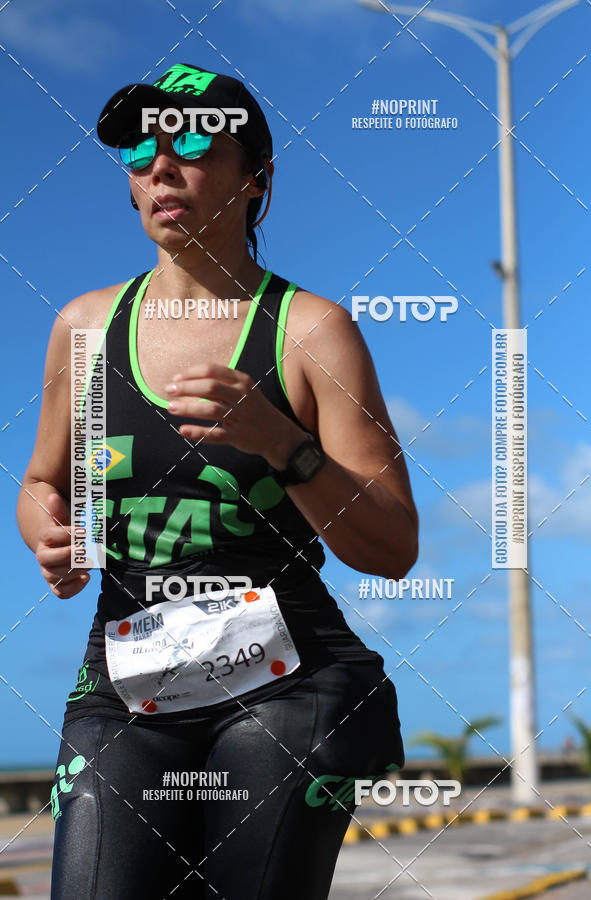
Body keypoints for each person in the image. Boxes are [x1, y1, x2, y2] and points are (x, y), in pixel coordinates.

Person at [16, 63, 419, 900]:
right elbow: (40, 482)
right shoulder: (84, 328)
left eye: (194, 140)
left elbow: (392, 545)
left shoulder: (310, 332)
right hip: (131, 677)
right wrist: (47, 531)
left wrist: (284, 444)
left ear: (257, 179)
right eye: (139, 148)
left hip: (292, 674)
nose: (162, 165)